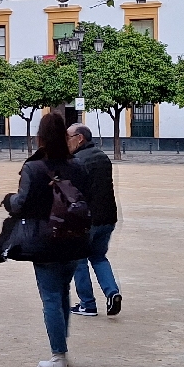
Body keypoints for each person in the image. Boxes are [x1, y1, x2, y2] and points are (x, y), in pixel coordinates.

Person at [1, 112, 91, 367]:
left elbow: (22, 203)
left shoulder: (34, 167)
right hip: (75, 238)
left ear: (40, 136)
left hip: (46, 240)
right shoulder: (77, 164)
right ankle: (62, 354)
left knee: (51, 297)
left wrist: (9, 199)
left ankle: (58, 358)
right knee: (62, 293)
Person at [67, 124, 122, 317]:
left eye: (68, 137)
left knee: (79, 261)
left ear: (79, 138)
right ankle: (112, 292)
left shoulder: (76, 160)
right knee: (99, 257)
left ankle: (87, 304)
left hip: (85, 220)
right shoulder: (102, 156)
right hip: (107, 217)